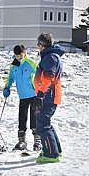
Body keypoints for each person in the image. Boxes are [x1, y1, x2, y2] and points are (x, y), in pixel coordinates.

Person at [3, 45, 41, 151]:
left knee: (34, 117)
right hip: (22, 95)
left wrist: (41, 89)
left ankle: (37, 141)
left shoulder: (30, 63)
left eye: (20, 55)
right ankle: (22, 141)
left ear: (25, 53)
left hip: (34, 94)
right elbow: (10, 78)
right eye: (16, 55)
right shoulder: (14, 66)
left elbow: (39, 75)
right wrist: (7, 87)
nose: (18, 57)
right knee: (22, 117)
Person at [34, 33, 63, 163]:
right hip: (48, 95)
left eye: (39, 44)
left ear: (43, 45)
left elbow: (48, 77)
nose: (38, 47)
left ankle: (51, 154)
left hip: (47, 96)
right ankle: (55, 150)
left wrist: (41, 94)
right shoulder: (50, 56)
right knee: (45, 123)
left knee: (42, 124)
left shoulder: (50, 57)